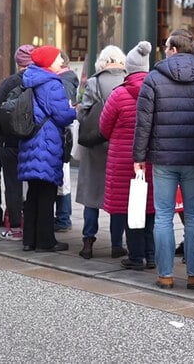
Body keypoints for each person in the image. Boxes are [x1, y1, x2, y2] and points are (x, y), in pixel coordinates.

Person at [133, 28, 194, 290]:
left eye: (166, 46)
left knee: (163, 215)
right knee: (192, 216)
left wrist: (139, 156)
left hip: (163, 158)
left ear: (174, 50)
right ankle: (193, 274)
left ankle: (165, 274)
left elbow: (143, 122)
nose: (164, 51)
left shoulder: (154, 78)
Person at [101, 41, 155, 269]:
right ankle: (152, 256)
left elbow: (103, 127)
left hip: (123, 161)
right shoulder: (156, 92)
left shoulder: (119, 94)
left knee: (132, 207)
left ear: (128, 69)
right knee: (150, 208)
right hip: (151, 159)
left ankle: (136, 257)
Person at [18, 46, 77, 252]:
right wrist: (73, 111)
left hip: (31, 141)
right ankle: (45, 240)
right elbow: (62, 115)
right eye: (59, 57)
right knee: (47, 192)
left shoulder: (30, 78)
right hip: (47, 142)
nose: (62, 59)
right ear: (49, 61)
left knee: (33, 192)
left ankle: (29, 240)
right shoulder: (51, 83)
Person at [76, 44, 127, 259]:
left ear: (103, 62)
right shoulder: (128, 80)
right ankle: (116, 244)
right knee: (117, 198)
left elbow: (83, 115)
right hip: (119, 147)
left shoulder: (94, 82)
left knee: (92, 195)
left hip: (95, 146)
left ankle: (88, 242)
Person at [0, 45, 33, 241]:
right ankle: (33, 225)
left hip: (10, 142)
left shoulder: (7, 83)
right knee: (35, 184)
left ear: (17, 62)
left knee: (13, 186)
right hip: (33, 140)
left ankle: (15, 227)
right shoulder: (41, 80)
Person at [54, 51, 79, 232]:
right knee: (63, 179)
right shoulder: (67, 79)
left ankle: (63, 218)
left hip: (61, 136)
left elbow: (63, 110)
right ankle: (63, 217)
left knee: (62, 179)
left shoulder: (64, 81)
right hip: (64, 135)